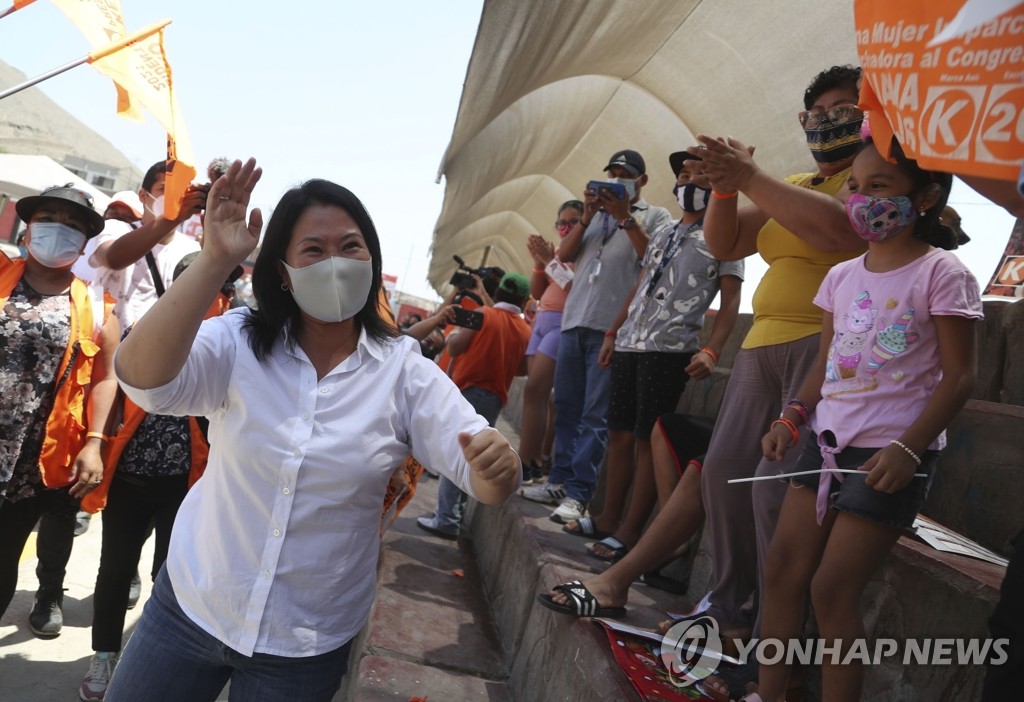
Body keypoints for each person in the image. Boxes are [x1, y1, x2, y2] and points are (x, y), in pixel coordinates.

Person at [104, 160, 520, 702]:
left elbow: (479, 470)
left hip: (303, 645)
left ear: (372, 261)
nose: (335, 264)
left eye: (350, 247)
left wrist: (498, 469)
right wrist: (213, 260)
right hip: (191, 605)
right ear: (283, 271)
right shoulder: (238, 340)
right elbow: (142, 379)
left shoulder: (404, 371)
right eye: (314, 251)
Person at [753, 134, 981, 702]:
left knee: (832, 590)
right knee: (783, 569)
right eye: (856, 187)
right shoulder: (841, 277)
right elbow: (827, 365)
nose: (860, 199)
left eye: (879, 187)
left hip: (887, 456)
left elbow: (960, 378)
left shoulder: (942, 273)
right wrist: (792, 417)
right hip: (824, 443)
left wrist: (909, 449)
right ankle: (768, 692)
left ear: (923, 197)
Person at [562, 150, 743, 563]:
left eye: (701, 176)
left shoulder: (727, 234)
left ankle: (631, 531)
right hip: (631, 342)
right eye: (683, 174)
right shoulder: (663, 231)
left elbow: (731, 299)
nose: (689, 182)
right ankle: (609, 516)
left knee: (647, 440)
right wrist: (613, 331)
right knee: (620, 433)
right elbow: (641, 284)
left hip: (669, 348)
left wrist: (713, 348)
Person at [76, 252, 241, 701]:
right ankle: (105, 654)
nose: (216, 295)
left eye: (223, 287)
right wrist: (94, 441)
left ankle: (150, 653)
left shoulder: (232, 351)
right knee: (114, 571)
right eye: (205, 284)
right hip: (130, 479)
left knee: (172, 577)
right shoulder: (143, 336)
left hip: (188, 488)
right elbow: (111, 385)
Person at [522, 149, 672, 524]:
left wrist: (625, 218)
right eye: (613, 172)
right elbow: (567, 257)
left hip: (612, 329)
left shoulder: (654, 216)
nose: (618, 178)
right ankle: (557, 480)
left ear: (642, 181)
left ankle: (578, 494)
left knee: (594, 415)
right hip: (574, 322)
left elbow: (652, 259)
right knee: (567, 406)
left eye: (625, 174)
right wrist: (587, 216)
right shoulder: (592, 218)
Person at [0, 186, 120, 636]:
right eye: (48, 216)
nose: (58, 227)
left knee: (4, 554)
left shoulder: (96, 306)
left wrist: (94, 442)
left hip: (27, 461)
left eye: (72, 224)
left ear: (85, 241)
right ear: (28, 228)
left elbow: (108, 376)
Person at [417, 272, 532, 539]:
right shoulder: (525, 329)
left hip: (469, 389)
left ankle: (446, 518)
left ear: (498, 292)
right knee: (478, 456)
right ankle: (456, 513)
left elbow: (455, 348)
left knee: (460, 454)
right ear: (525, 301)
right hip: (495, 395)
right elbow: (523, 368)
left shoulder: (485, 315)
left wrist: (455, 333)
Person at [89, 159, 206, 329]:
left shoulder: (192, 250)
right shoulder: (116, 228)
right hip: (103, 346)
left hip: (153, 350)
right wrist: (173, 218)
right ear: (143, 195)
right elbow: (113, 259)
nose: (173, 196)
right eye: (164, 189)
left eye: (180, 191)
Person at [518, 199, 583, 484]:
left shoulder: (585, 252)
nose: (566, 227)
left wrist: (549, 261)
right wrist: (538, 263)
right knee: (537, 396)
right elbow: (537, 290)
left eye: (574, 221)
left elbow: (575, 287)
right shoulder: (556, 252)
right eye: (562, 222)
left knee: (535, 390)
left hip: (562, 323)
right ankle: (532, 459)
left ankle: (525, 460)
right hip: (541, 321)